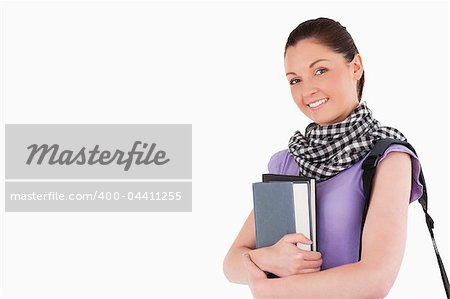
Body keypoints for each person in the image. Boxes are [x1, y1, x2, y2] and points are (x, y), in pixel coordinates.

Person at [222, 17, 425, 298]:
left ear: (355, 66)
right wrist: (266, 259)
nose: (307, 91)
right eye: (295, 80)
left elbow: (376, 278)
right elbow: (231, 262)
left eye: (320, 71)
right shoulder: (288, 161)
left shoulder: (388, 159)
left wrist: (272, 289)